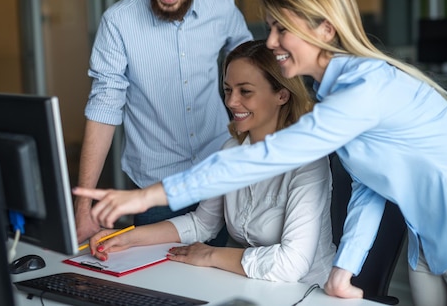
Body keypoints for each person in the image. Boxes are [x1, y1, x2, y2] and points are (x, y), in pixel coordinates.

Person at [74, 0, 447, 305]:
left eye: (282, 28)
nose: (272, 41)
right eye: (272, 26)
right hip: (427, 243)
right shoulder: (332, 93)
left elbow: (270, 156)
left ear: (325, 29)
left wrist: (148, 196)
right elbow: (368, 191)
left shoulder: (367, 88)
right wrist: (343, 272)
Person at [83, 40, 335, 285]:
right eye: (227, 90)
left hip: (307, 291)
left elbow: (292, 263)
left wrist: (211, 255)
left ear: (282, 94)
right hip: (250, 286)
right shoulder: (231, 150)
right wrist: (127, 238)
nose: (231, 102)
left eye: (245, 91)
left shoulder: (309, 160)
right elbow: (202, 223)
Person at [74, 0, 253, 243]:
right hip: (156, 190)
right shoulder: (119, 22)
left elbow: (253, 69)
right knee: (159, 290)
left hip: (220, 174)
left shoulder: (222, 9)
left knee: (223, 281)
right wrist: (83, 208)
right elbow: (104, 108)